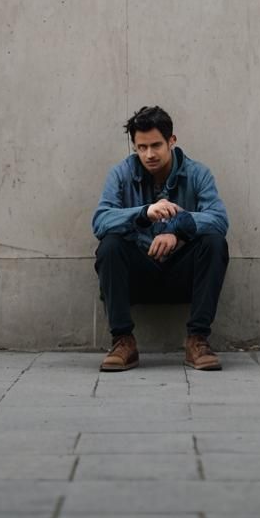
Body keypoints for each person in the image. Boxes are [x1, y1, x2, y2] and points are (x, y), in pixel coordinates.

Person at [92, 105, 230, 372]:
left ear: (171, 141)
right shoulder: (120, 174)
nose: (149, 154)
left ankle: (197, 339)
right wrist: (144, 213)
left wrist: (177, 229)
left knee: (214, 243)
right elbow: (100, 221)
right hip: (138, 275)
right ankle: (123, 341)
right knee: (109, 246)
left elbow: (219, 220)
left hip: (183, 275)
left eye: (156, 145)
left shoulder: (198, 173)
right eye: (141, 147)